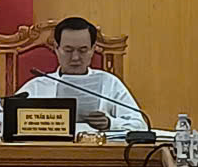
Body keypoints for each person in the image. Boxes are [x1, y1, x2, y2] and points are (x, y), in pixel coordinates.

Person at [14, 17, 144, 133]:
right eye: (68, 50)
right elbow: (6, 121)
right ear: (56, 48)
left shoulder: (109, 83)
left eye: (83, 50)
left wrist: (110, 123)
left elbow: (140, 125)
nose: (75, 57)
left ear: (93, 49)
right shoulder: (38, 86)